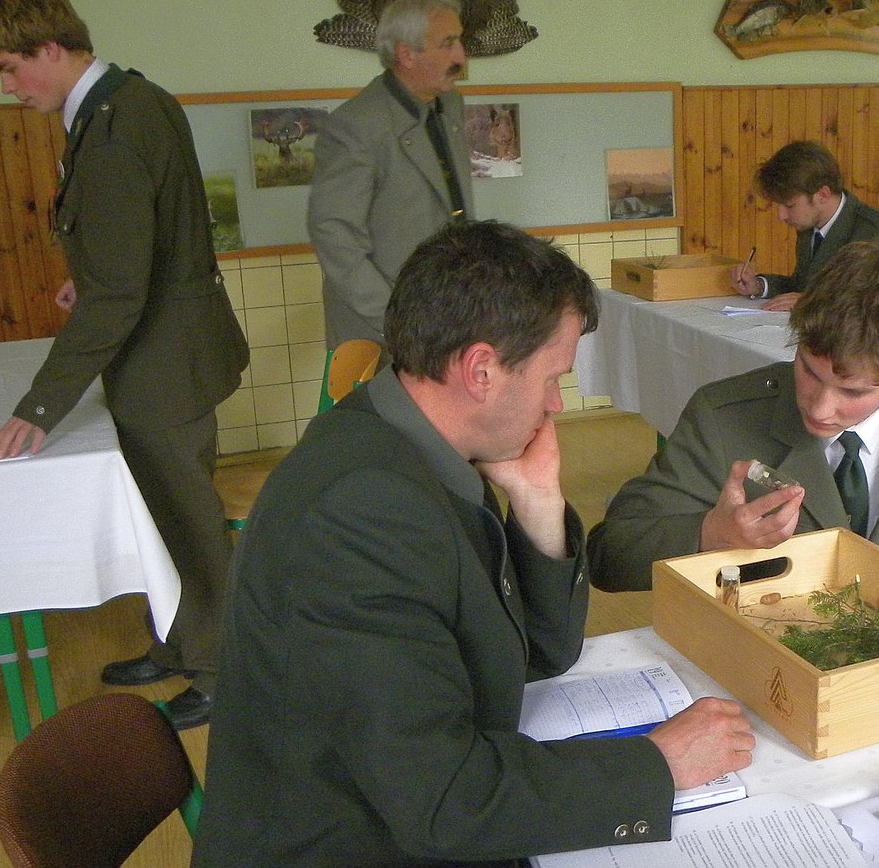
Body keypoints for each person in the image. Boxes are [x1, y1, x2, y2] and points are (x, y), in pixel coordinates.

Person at [193, 223, 754, 867]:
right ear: (481, 370)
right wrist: (657, 765)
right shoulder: (362, 512)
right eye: (553, 377)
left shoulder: (416, 444)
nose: (555, 402)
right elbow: (446, 804)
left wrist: (538, 504)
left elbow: (539, 651)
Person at [0, 0, 249, 729]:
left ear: (49, 47)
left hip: (163, 364)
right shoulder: (124, 103)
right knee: (160, 516)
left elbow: (122, 293)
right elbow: (144, 240)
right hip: (168, 349)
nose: (6, 86)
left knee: (188, 523)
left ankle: (223, 673)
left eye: (8, 67)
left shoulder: (116, 125)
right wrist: (88, 277)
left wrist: (40, 405)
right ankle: (180, 644)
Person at [590, 241, 879, 592]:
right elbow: (609, 554)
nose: (818, 408)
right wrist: (710, 534)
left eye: (852, 392)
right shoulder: (722, 417)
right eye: (809, 371)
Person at [307, 0, 476, 351]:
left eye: (459, 41)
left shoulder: (449, 105)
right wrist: (397, 321)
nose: (461, 57)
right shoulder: (355, 126)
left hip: (447, 315)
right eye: (448, 43)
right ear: (406, 54)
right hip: (383, 331)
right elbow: (335, 236)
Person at [731, 140, 879, 312]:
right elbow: (803, 286)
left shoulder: (875, 235)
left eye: (790, 205)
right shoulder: (810, 226)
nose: (781, 215)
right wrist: (759, 286)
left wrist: (813, 303)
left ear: (823, 194)